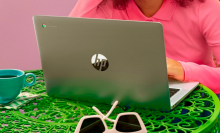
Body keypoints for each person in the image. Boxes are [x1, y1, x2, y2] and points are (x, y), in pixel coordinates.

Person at [69, 0, 220, 129]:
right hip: (126, 101)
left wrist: (183, 70)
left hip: (195, 102)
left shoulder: (205, 5)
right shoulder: (110, 6)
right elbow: (71, 44)